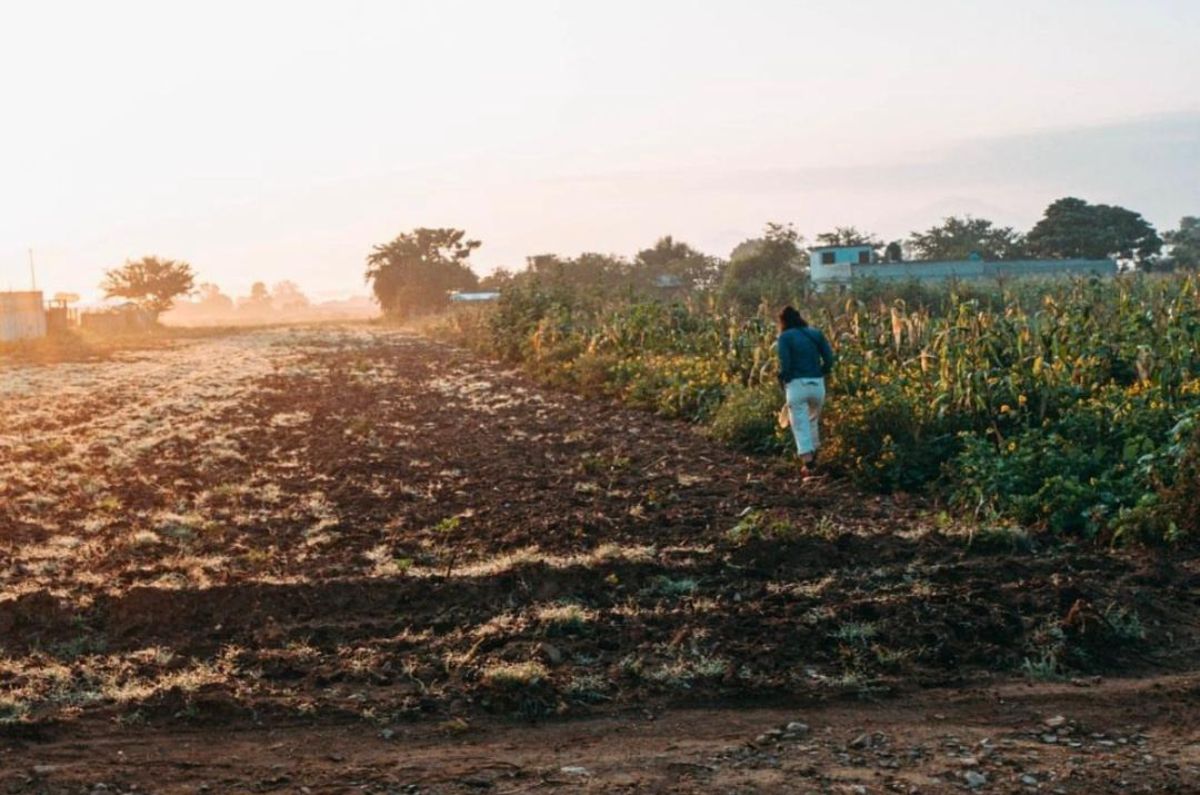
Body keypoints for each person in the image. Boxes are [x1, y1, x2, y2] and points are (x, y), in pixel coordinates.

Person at [777, 305, 836, 478]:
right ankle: (815, 457)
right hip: (817, 384)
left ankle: (809, 466)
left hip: (797, 384)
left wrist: (784, 377)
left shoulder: (785, 337)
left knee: (800, 425)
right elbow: (829, 359)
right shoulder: (815, 334)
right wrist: (821, 371)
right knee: (812, 420)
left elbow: (785, 363)